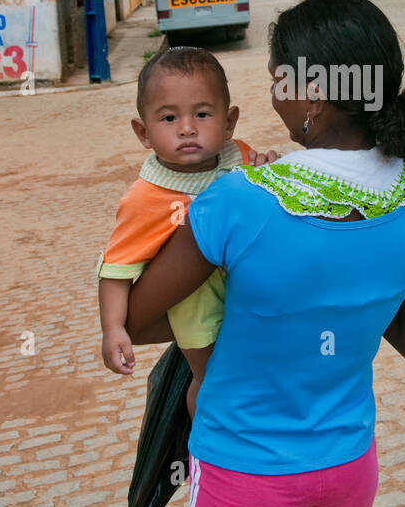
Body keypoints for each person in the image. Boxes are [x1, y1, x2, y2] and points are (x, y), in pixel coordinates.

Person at [125, 0, 405, 507]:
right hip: (349, 466)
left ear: (315, 97)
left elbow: (136, 323)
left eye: (278, 78)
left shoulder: (238, 202)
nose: (273, 94)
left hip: (243, 471)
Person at [97, 46, 277, 416]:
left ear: (229, 122)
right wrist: (113, 328)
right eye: (168, 118)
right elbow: (115, 269)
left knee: (257, 371)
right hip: (196, 311)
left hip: (250, 298)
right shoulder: (145, 197)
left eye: (203, 113)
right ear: (143, 132)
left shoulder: (240, 158)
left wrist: (272, 169)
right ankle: (205, 445)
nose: (187, 128)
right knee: (212, 377)